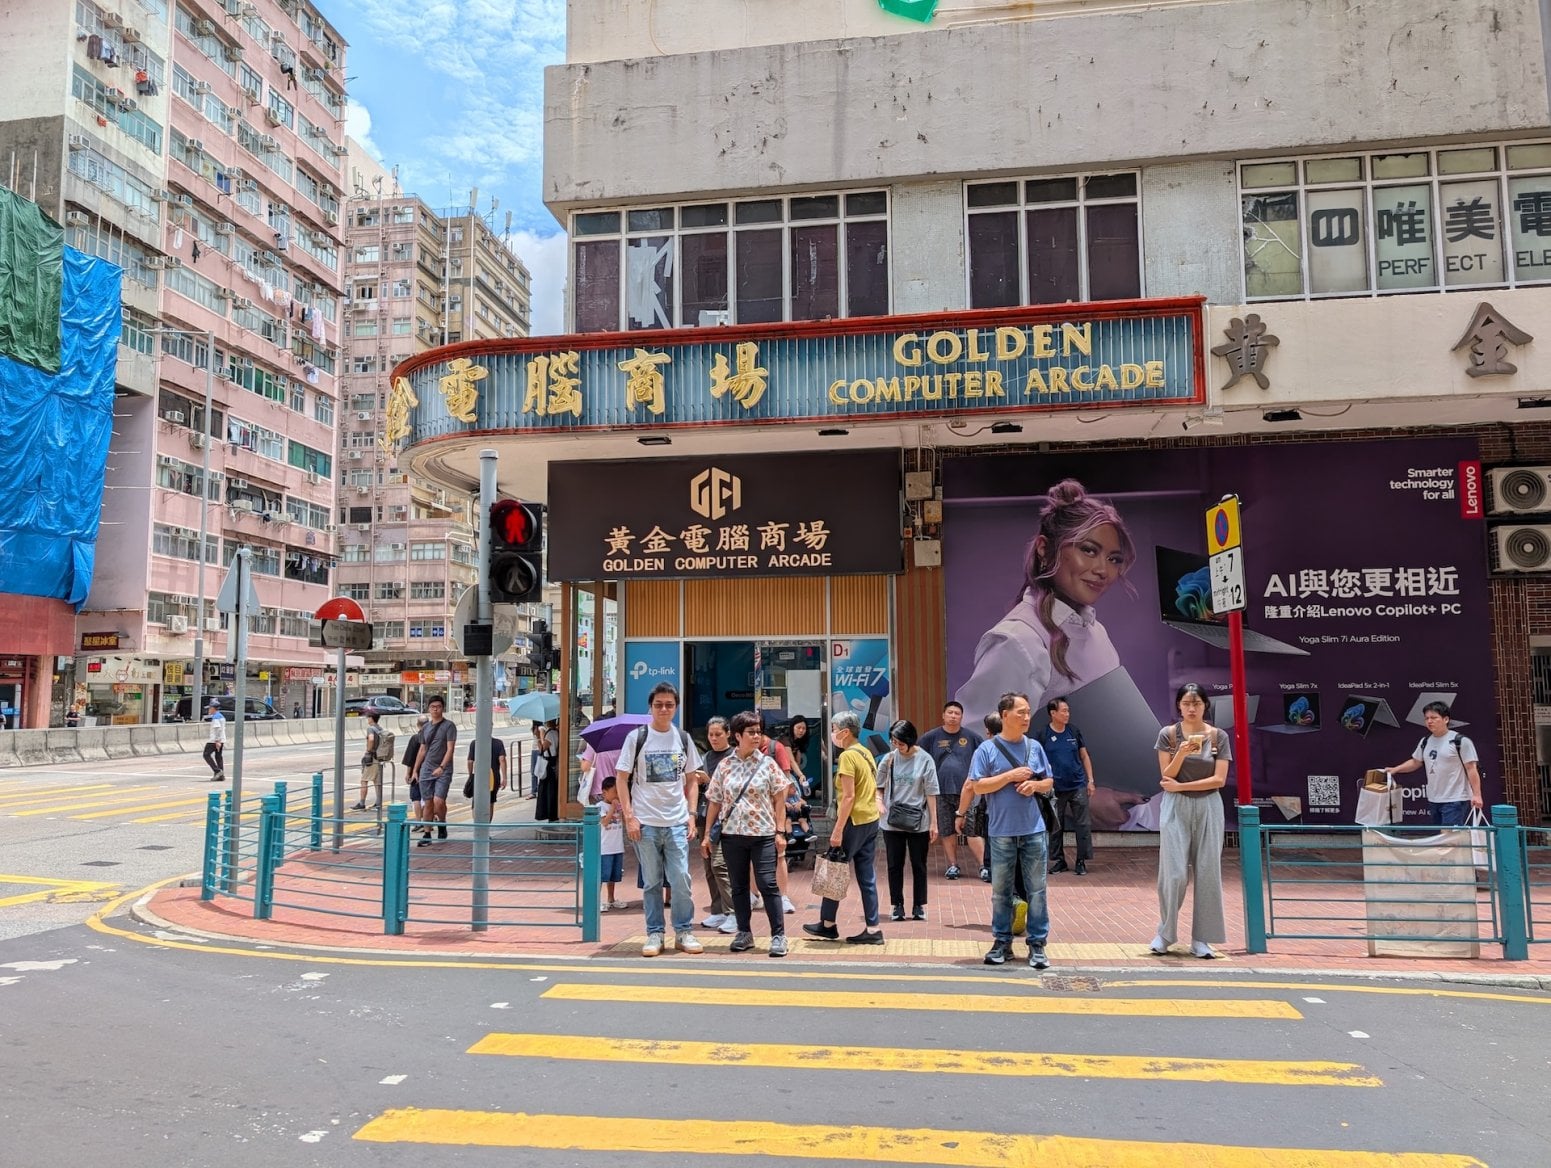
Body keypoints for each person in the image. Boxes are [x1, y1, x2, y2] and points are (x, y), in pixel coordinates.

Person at [955, 479, 1136, 727]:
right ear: (1044, 548)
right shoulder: (1017, 641)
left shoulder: (1097, 632)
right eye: (1089, 550)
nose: (1103, 570)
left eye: (1114, 559)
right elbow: (979, 740)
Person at [614, 682, 705, 957]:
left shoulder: (683, 738)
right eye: (658, 705)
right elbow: (621, 779)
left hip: (676, 821)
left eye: (669, 705)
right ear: (650, 707)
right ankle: (655, 933)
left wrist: (691, 815)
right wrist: (630, 817)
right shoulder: (637, 738)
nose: (664, 709)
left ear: (676, 708)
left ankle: (683, 931)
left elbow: (692, 779)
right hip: (646, 824)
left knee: (681, 880)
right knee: (652, 882)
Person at [966, 692, 1054, 969]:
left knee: (1037, 890)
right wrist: (1009, 777)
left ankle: (1037, 944)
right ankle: (1002, 942)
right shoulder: (987, 750)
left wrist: (1035, 785)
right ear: (1005, 715)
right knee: (1001, 892)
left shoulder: (1034, 747)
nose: (1027, 717)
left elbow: (1048, 782)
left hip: (1033, 830)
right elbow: (977, 786)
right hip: (1001, 831)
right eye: (1021, 712)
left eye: (1028, 712)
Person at [1151, 681, 1230, 959]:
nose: (1191, 709)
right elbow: (1166, 776)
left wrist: (1182, 786)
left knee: (1208, 872)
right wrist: (1182, 753)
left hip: (1209, 805)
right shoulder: (1168, 734)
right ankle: (1165, 933)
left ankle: (1202, 939)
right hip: (1176, 807)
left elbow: (1219, 779)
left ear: (1205, 705)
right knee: (1174, 873)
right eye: (1186, 703)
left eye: (1196, 703)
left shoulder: (1218, 736)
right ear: (1179, 706)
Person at [702, 710, 791, 957]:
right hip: (732, 836)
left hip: (763, 834)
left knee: (767, 883)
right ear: (738, 736)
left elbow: (780, 799)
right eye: (751, 732)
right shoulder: (725, 765)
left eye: (759, 732)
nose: (756, 736)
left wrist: (780, 831)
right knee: (738, 886)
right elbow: (714, 801)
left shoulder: (768, 764)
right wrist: (707, 834)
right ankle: (744, 933)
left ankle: (778, 935)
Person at [803, 711, 884, 945]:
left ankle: (828, 924)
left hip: (853, 821)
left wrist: (837, 830)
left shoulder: (848, 756)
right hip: (869, 820)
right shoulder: (865, 753)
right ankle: (873, 928)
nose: (832, 734)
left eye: (834, 729)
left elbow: (848, 797)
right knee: (866, 877)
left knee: (834, 868)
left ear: (845, 732)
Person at [1379, 700, 1483, 826]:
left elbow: (1471, 768)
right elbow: (1416, 762)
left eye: (1434, 718)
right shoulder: (1425, 741)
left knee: (1450, 835)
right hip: (1434, 799)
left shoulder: (1460, 741)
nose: (1429, 721)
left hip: (1455, 798)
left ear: (1446, 719)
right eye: (1427, 718)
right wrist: (1396, 769)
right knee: (1440, 835)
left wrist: (1477, 795)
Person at [877, 719, 939, 922]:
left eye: (901, 742)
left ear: (911, 739)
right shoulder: (889, 759)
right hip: (892, 820)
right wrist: (878, 801)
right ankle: (897, 905)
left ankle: (919, 905)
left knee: (919, 864)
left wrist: (934, 822)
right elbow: (879, 786)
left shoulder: (925, 759)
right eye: (894, 742)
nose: (897, 746)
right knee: (894, 864)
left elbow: (931, 792)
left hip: (918, 820)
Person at [919, 701, 982, 880]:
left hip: (967, 792)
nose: (953, 716)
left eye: (957, 713)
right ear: (943, 715)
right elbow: (917, 755)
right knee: (947, 830)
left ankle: (983, 866)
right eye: (950, 713)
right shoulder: (931, 737)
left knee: (972, 830)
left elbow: (985, 756)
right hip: (941, 791)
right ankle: (953, 865)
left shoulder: (972, 737)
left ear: (962, 717)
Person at [1036, 696, 1095, 875]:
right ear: (1053, 713)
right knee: (1056, 825)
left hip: (1077, 785)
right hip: (1054, 788)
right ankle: (1059, 860)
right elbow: (1037, 760)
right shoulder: (1043, 734)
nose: (1067, 714)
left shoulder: (1073, 731)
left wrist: (1090, 780)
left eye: (1068, 711)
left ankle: (1081, 860)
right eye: (1064, 711)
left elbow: (1084, 756)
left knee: (1083, 824)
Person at [697, 717, 738, 934]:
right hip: (706, 817)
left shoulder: (734, 757)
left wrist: (709, 780)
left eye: (718, 734)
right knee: (709, 866)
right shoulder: (705, 757)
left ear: (728, 734)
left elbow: (731, 787)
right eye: (710, 735)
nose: (713, 738)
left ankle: (733, 912)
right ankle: (718, 910)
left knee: (720, 865)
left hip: (728, 819)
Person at [412, 695, 458, 847]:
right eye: (433, 707)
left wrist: (442, 767)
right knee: (428, 802)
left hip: (444, 769)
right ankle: (427, 834)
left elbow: (450, 749)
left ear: (442, 708)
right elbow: (422, 750)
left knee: (439, 801)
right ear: (429, 709)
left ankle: (442, 822)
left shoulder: (449, 726)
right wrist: (415, 770)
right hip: (427, 769)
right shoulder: (425, 728)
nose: (435, 709)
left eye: (438, 707)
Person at [596, 776, 627, 910]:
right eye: (615, 792)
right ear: (604, 792)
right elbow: (604, 822)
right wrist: (613, 808)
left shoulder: (619, 807)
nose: (617, 795)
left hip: (617, 846)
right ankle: (597, 901)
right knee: (602, 875)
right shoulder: (600, 806)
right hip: (605, 848)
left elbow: (624, 821)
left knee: (613, 875)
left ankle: (611, 898)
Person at [465, 732, 508, 819]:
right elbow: (502, 760)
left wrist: (470, 775)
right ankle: (487, 824)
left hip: (479, 776)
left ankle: (477, 822)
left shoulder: (474, 743)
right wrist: (504, 778)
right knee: (490, 802)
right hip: (493, 777)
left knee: (476, 801)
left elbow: (470, 761)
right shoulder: (498, 743)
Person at [352, 713, 384, 811]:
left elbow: (371, 739)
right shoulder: (380, 729)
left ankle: (362, 803)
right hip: (379, 757)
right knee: (377, 781)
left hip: (372, 758)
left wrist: (368, 750)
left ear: (371, 718)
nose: (367, 719)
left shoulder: (371, 729)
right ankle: (378, 803)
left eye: (368, 717)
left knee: (364, 780)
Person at [401, 714, 428, 820]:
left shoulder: (415, 738)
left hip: (416, 772)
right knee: (427, 797)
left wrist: (408, 773)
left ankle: (418, 821)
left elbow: (410, 758)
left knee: (416, 797)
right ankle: (427, 821)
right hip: (429, 770)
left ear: (418, 725)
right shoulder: (432, 737)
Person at [534, 720, 560, 821]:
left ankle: (548, 814)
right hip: (554, 761)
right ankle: (553, 813)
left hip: (548, 763)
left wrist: (537, 737)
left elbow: (542, 749)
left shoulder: (550, 734)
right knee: (552, 789)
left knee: (547, 790)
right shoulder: (556, 732)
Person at [202, 700, 226, 781]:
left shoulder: (216, 717)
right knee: (218, 757)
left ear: (213, 708)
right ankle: (221, 775)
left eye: (210, 708)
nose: (209, 710)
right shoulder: (221, 716)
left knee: (206, 754)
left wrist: (217, 741)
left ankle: (217, 771)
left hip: (214, 740)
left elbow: (217, 729)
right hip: (221, 739)